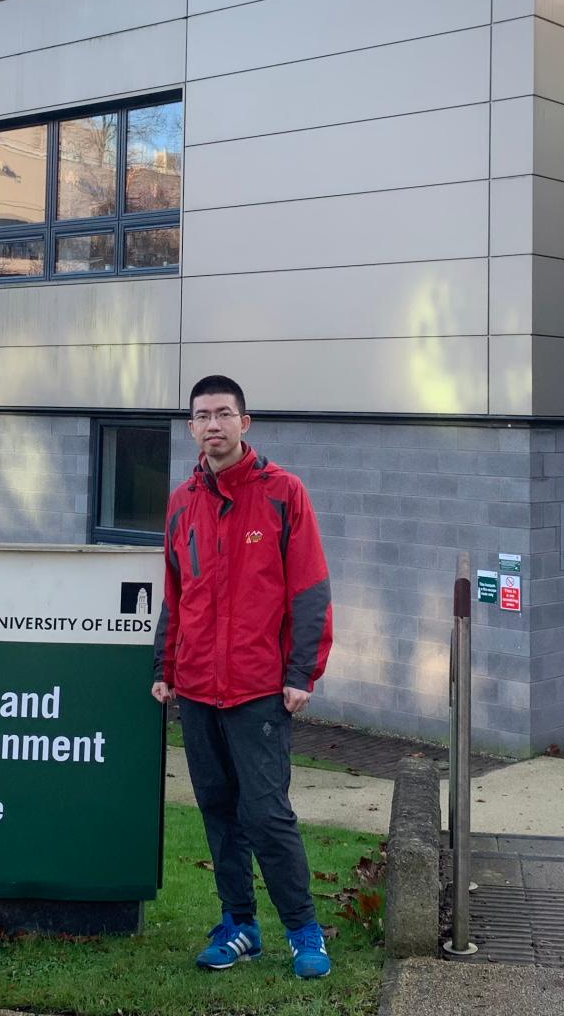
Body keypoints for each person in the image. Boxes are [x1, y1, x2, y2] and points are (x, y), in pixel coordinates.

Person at [150, 374, 334, 980]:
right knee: (218, 809)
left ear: (244, 423)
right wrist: (164, 667)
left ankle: (304, 932)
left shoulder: (283, 493)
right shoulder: (182, 502)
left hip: (259, 689)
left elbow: (310, 589)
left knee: (266, 814)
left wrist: (301, 672)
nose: (213, 425)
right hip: (198, 689)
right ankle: (239, 926)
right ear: (191, 428)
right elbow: (176, 593)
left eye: (224, 414)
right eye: (203, 416)